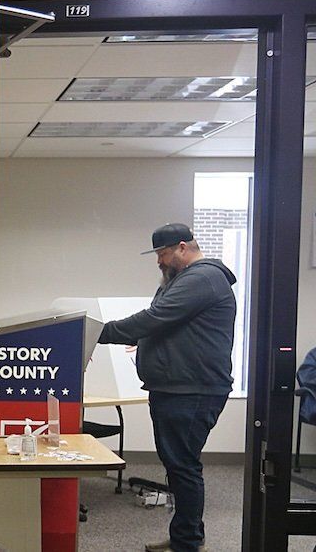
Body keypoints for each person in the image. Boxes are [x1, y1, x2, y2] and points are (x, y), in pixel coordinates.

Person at [98, 223, 236, 552]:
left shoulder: (202, 278)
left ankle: (187, 543)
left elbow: (154, 319)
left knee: (183, 466)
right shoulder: (182, 280)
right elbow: (155, 326)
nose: (159, 261)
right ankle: (186, 537)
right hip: (177, 389)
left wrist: (94, 332)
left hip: (192, 392)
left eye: (162, 253)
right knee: (179, 465)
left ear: (182, 248)